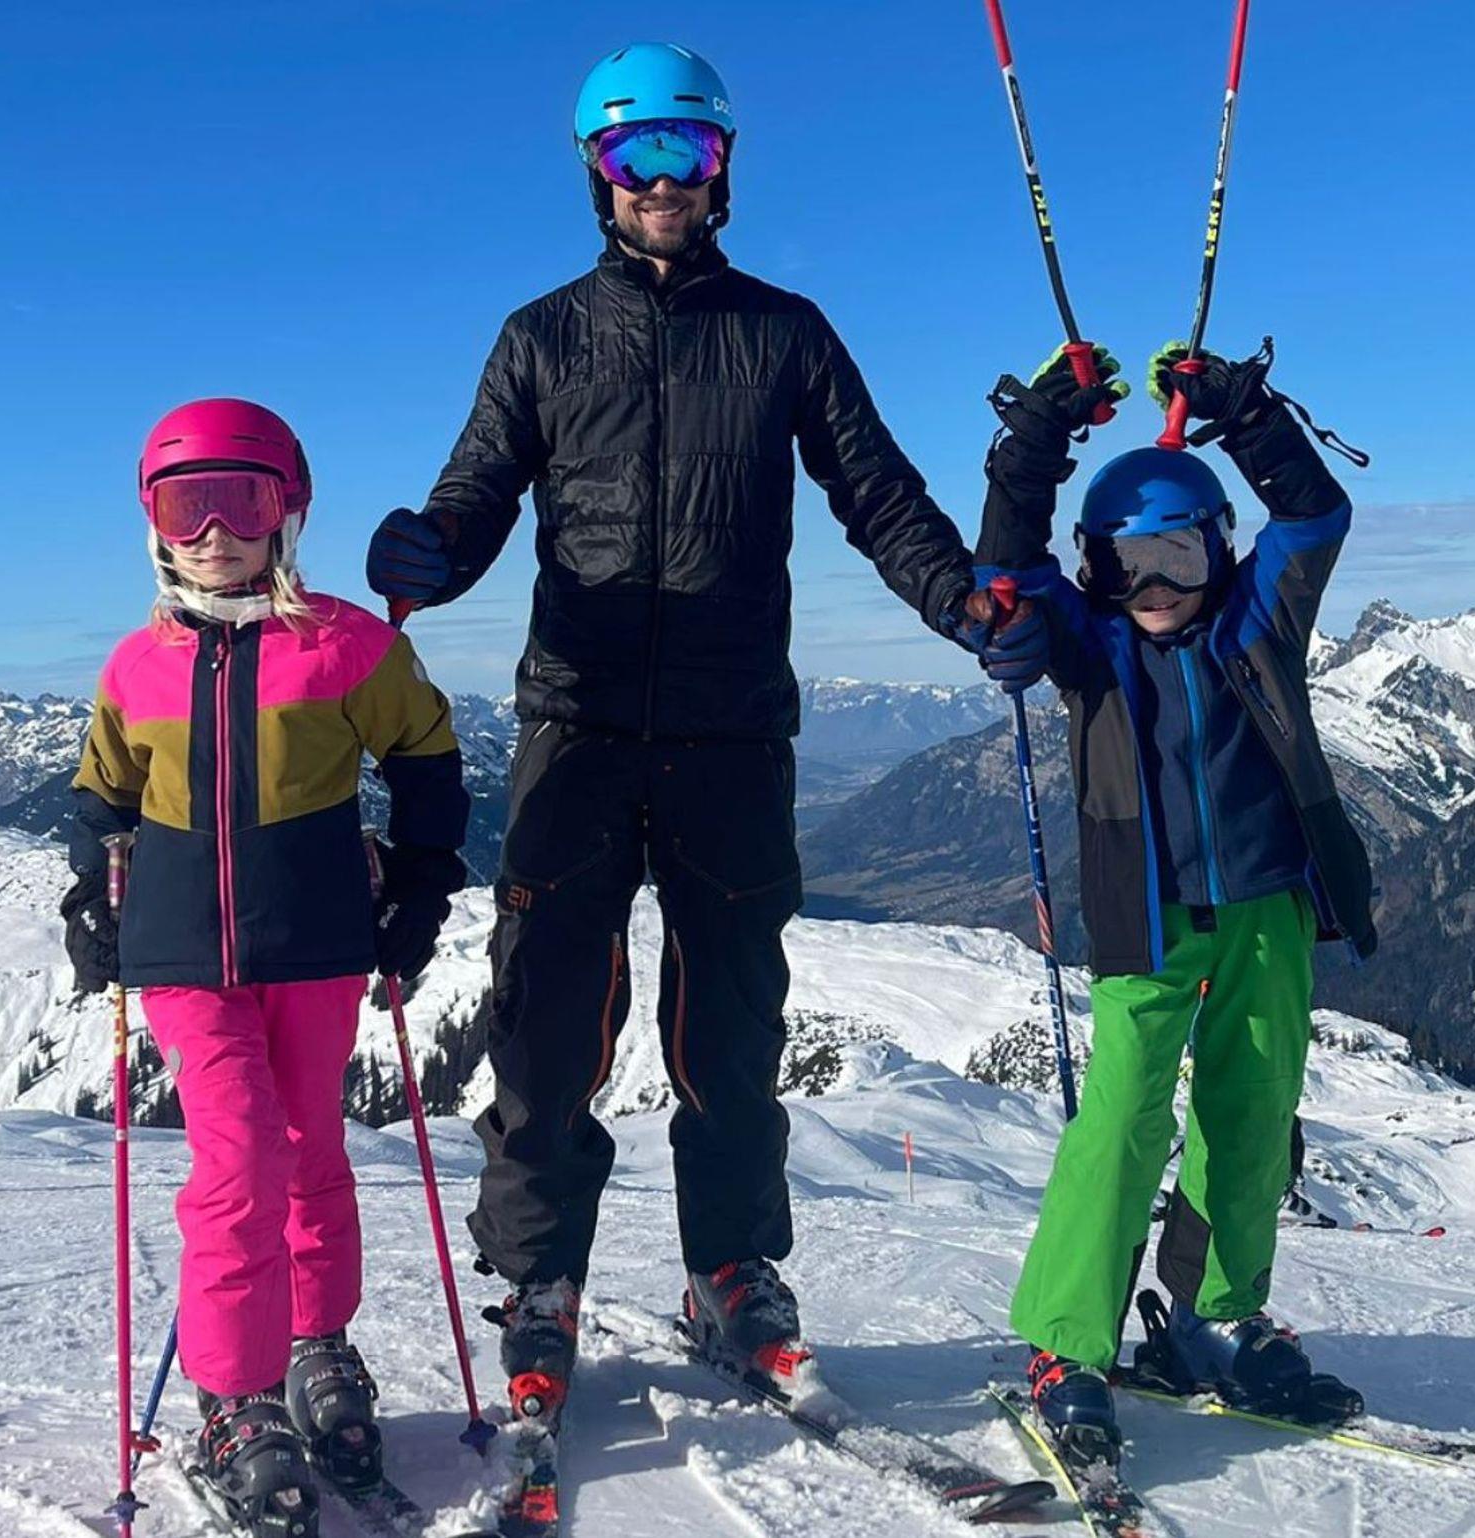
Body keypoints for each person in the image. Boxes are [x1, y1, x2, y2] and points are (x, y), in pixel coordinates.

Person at [365, 41, 993, 1419]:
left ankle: (729, 1272)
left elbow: (877, 492)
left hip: (731, 733)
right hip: (577, 725)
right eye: (633, 155)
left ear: (722, 170)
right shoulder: (540, 337)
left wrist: (960, 598)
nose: (661, 181)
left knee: (730, 1031)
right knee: (545, 1024)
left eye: (686, 152)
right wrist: (429, 551)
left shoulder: (784, 332)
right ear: (596, 174)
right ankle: (540, 1278)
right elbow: (474, 494)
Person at [965, 343, 1377, 1464]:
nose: (1154, 588)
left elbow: (1315, 514)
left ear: (1218, 547)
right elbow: (1005, 567)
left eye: (1177, 556)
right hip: (1145, 919)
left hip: (1268, 906)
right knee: (1121, 1121)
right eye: (1126, 564)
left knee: (1253, 1112)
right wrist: (1040, 433)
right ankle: (1068, 1341)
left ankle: (1213, 1312)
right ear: (1093, 569)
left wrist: (1244, 414)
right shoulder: (1088, 644)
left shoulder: (1257, 619)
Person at [64, 398, 470, 1533]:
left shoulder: (347, 643)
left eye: (241, 502)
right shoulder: (137, 664)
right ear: (152, 521)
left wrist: (423, 885)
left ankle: (315, 1339)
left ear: (287, 512)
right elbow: (101, 798)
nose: (213, 533)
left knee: (312, 1152)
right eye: (184, 506)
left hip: (317, 945)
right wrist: (87, 899)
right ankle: (234, 1394)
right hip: (185, 956)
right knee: (240, 1163)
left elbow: (428, 760)